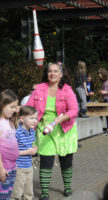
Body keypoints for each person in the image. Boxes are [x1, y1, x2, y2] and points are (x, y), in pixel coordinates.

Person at [26, 62, 78, 200]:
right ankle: (44, 193)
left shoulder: (67, 90)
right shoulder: (39, 88)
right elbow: (28, 106)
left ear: (61, 74)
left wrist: (59, 120)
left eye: (55, 71)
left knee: (66, 160)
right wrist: (17, 111)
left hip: (64, 128)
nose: (52, 74)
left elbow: (74, 110)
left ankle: (67, 187)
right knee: (46, 159)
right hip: (45, 128)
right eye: (50, 71)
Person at [0, 89, 19, 200]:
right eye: (12, 107)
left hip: (12, 166)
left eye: (15, 107)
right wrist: (1, 168)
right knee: (3, 195)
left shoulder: (10, 122)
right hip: (4, 167)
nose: (14, 110)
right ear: (2, 105)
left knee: (8, 194)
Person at [11, 106, 38, 200]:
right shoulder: (17, 132)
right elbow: (12, 152)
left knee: (29, 192)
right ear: (22, 119)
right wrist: (27, 152)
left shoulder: (32, 132)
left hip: (29, 166)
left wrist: (35, 148)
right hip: (19, 167)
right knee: (17, 192)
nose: (34, 121)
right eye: (31, 118)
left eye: (36, 118)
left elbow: (33, 144)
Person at [97, 68, 108, 135]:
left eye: (100, 73)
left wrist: (105, 92)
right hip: (104, 99)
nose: (99, 75)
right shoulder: (103, 82)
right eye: (98, 74)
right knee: (106, 116)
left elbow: (106, 91)